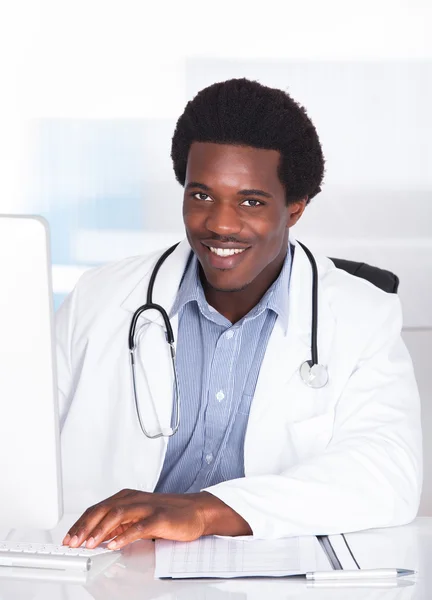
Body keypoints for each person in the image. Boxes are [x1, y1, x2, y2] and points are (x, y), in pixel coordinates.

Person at [58, 78, 422, 551]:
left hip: (274, 573)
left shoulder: (363, 314)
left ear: (295, 208)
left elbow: (387, 473)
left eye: (251, 201)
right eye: (201, 195)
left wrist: (204, 511)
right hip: (113, 569)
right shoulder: (99, 297)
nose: (220, 224)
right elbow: (20, 443)